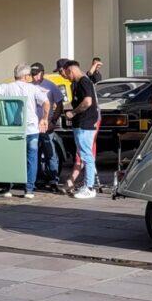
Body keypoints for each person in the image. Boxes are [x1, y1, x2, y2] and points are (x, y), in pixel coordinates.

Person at [0, 64, 49, 199]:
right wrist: (44, 118)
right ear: (25, 76)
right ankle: (29, 190)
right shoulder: (33, 88)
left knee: (11, 158)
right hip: (31, 128)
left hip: (13, 129)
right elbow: (46, 103)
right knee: (32, 158)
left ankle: (8, 188)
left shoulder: (7, 87)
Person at [60, 60, 100, 199]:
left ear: (69, 70)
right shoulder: (77, 83)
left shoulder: (84, 81)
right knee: (84, 155)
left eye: (64, 73)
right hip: (80, 124)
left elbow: (87, 102)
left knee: (86, 155)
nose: (64, 76)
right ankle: (87, 186)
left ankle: (89, 187)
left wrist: (74, 112)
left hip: (85, 123)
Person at [31, 62, 65, 192]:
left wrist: (53, 121)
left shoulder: (50, 86)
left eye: (36, 74)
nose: (34, 77)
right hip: (33, 126)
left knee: (50, 153)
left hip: (46, 125)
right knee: (35, 153)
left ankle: (53, 180)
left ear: (42, 73)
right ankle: (38, 179)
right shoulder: (29, 86)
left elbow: (59, 105)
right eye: (32, 75)